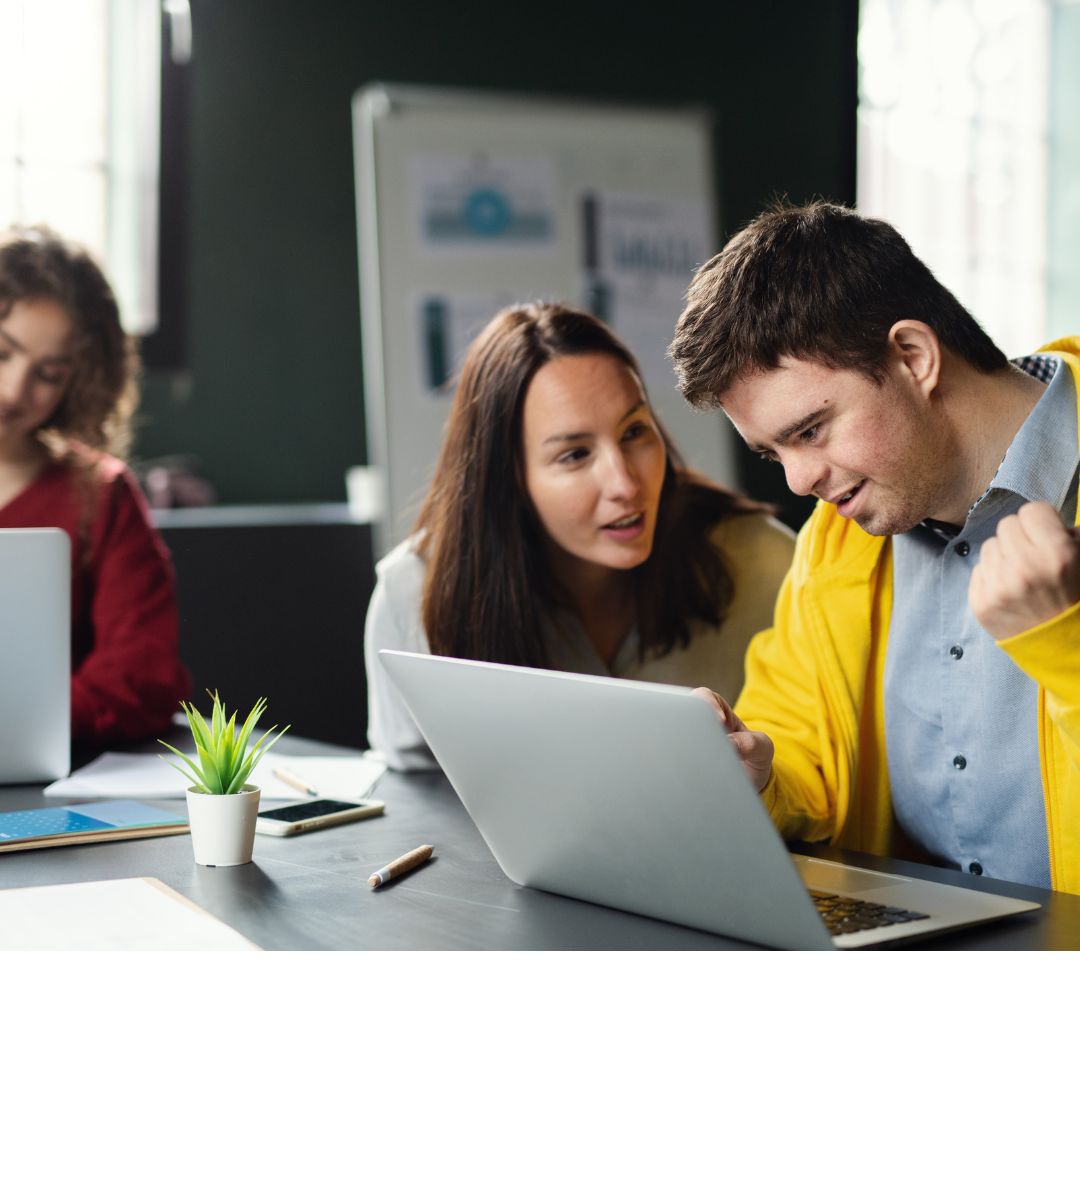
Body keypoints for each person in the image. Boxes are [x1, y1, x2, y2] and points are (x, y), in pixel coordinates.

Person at [669, 200, 1080, 893]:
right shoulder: (838, 539)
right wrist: (759, 772)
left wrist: (1067, 644)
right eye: (773, 454)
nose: (800, 480)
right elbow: (806, 751)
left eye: (811, 430)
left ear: (913, 357)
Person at [365, 301, 794, 770]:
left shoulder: (761, 560)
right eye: (574, 455)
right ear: (508, 477)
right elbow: (413, 794)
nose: (625, 484)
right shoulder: (416, 595)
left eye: (634, 431)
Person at [0, 225, 189, 747]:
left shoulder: (99, 494)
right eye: (2, 353)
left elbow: (141, 674)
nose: (14, 390)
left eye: (49, 374)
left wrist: (21, 726)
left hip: (47, 785)